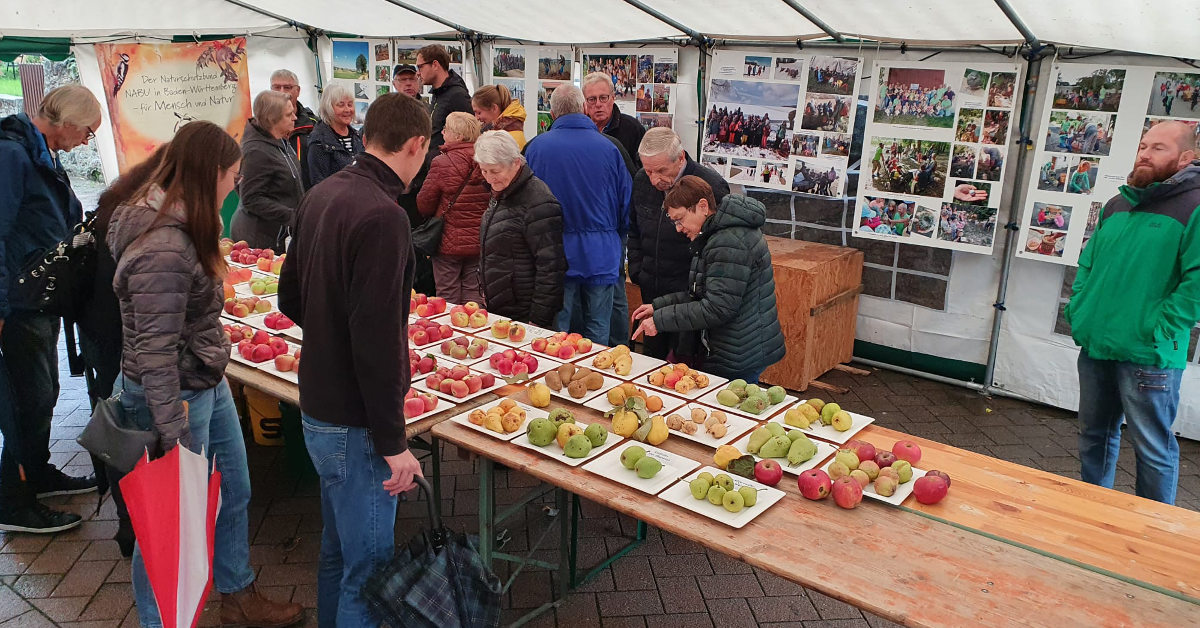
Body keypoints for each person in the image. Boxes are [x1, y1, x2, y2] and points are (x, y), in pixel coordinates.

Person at [108, 121, 303, 627]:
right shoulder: (163, 247)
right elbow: (154, 353)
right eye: (233, 176)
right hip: (171, 397)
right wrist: (172, 434)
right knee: (169, 520)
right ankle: (163, 621)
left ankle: (237, 594)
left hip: (204, 383)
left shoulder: (184, 229)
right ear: (208, 174)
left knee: (234, 490)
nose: (235, 186)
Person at [278, 93, 428, 626]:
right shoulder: (385, 217)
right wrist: (393, 443)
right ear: (416, 145)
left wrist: (328, 339)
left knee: (339, 553)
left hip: (318, 403)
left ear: (366, 138)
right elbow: (377, 340)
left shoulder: (320, 193)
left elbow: (288, 299)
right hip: (355, 421)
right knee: (367, 571)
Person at [1066, 120, 1200, 506]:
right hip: (1096, 346)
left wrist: (1159, 329)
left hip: (1150, 355)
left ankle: (1153, 534)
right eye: (1143, 145)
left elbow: (1196, 283)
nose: (1145, 153)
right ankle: (1096, 510)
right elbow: (1088, 262)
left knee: (1153, 449)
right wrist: (1080, 308)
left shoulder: (1194, 207)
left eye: (1158, 147)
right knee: (1094, 435)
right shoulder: (1117, 203)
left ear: (1185, 158)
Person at [0, 85, 101, 534]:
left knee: (44, 392)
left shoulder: (37, 151)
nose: (87, 140)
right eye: (88, 130)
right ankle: (14, 499)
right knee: (26, 400)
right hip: (20, 303)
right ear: (65, 120)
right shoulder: (13, 156)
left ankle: (36, 473)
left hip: (37, 294)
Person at [78, 143, 170, 556]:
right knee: (130, 426)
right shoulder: (145, 219)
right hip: (120, 332)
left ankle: (128, 522)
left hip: (102, 328)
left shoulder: (119, 200)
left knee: (118, 424)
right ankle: (137, 524)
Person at [631, 176, 785, 383]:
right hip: (736, 346)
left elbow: (718, 307)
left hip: (740, 352)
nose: (678, 228)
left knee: (731, 409)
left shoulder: (729, 243)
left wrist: (661, 320)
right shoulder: (715, 236)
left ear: (703, 206)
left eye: (680, 219)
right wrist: (658, 307)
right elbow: (701, 293)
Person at [525, 85, 631, 343]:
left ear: (551, 113)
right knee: (598, 329)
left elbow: (525, 204)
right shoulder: (609, 149)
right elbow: (626, 202)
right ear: (584, 107)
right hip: (601, 249)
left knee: (559, 329)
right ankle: (600, 378)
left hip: (556, 251)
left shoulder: (535, 148)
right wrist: (617, 236)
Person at [629, 128, 730, 362]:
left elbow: (717, 245)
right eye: (649, 170)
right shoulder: (642, 181)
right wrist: (638, 269)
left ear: (681, 157)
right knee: (651, 361)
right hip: (652, 290)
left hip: (691, 298)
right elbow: (633, 227)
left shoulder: (711, 186)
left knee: (684, 365)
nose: (655, 179)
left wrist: (697, 286)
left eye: (662, 171)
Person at [475, 131, 566, 327]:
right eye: (484, 171)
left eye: (495, 171)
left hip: (524, 314)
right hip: (500, 308)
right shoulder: (501, 192)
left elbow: (551, 267)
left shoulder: (539, 201)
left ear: (516, 163)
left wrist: (538, 319)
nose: (489, 178)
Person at [582, 72, 644, 347]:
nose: (598, 105)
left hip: (615, 224)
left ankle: (620, 345)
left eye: (603, 98)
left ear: (614, 98)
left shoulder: (631, 131)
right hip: (585, 223)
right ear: (584, 103)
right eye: (592, 99)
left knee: (616, 285)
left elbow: (640, 180)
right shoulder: (579, 130)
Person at [416, 112, 490, 304]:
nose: (442, 132)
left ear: (458, 136)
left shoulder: (442, 162)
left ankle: (451, 332)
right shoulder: (487, 161)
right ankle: (473, 331)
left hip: (447, 241)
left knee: (447, 295)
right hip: (478, 240)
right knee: (474, 293)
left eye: (446, 129)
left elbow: (424, 203)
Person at [230, 90, 304, 252]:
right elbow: (251, 198)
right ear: (272, 119)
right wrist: (291, 215)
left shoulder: (280, 140)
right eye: (288, 115)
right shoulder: (256, 151)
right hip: (260, 238)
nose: (295, 118)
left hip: (281, 232)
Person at [415, 44, 472, 156]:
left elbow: (468, 139)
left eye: (420, 67)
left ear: (435, 65)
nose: (417, 72)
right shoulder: (438, 93)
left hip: (448, 168)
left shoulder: (457, 96)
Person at [306, 83, 363, 187]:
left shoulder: (357, 137)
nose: (347, 110)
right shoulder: (319, 142)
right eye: (341, 105)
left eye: (350, 104)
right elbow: (319, 184)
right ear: (328, 108)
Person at [270, 69, 319, 187]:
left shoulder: (314, 124)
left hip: (308, 197)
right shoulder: (260, 126)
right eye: (276, 87)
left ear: (298, 91)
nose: (282, 92)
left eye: (287, 87)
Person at [472, 84, 527, 149]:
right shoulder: (507, 132)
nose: (476, 117)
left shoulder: (506, 139)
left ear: (494, 108)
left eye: (479, 113)